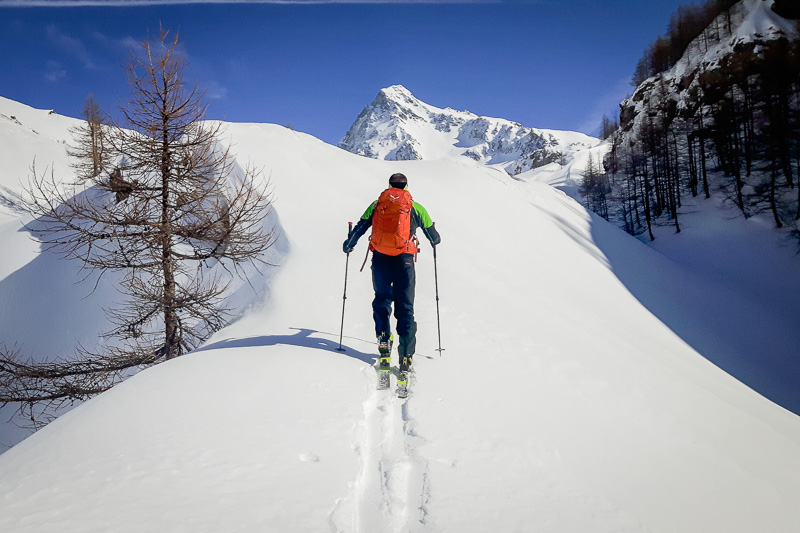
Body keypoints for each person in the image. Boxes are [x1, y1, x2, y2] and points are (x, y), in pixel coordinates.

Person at [343, 172, 441, 397]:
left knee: (382, 300)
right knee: (405, 308)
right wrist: (434, 238)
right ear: (406, 186)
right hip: (405, 262)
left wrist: (349, 243)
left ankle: (384, 342)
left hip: (380, 260)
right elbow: (434, 237)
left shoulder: (377, 205)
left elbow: (361, 226)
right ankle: (406, 356)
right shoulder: (415, 207)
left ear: (389, 185)